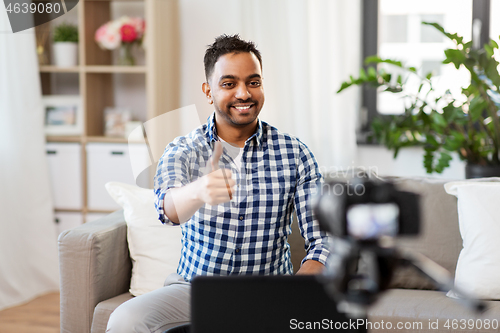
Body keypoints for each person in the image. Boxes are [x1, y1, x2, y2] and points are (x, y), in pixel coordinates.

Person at [106, 34, 330, 333]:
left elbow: (323, 240)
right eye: (229, 83)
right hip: (194, 290)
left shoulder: (296, 154)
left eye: (253, 82)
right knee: (126, 319)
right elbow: (166, 209)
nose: (244, 93)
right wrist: (198, 190)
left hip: (270, 292)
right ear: (208, 91)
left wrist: (295, 293)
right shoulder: (182, 150)